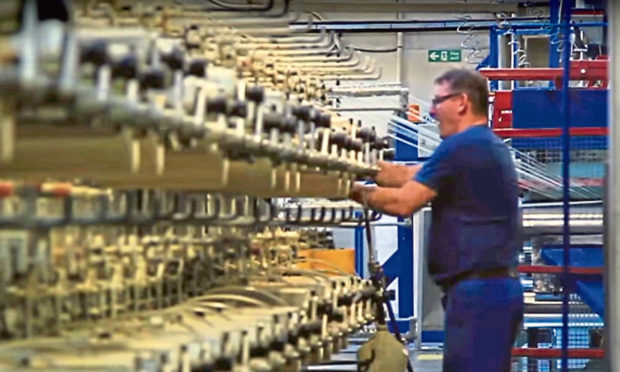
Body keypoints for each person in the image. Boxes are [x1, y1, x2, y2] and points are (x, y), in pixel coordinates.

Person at [351, 69, 524, 372]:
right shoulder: (483, 144)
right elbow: (407, 175)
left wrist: (344, 189)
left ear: (461, 102)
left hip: (479, 295)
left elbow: (404, 202)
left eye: (438, 101)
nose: (431, 110)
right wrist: (353, 165)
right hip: (488, 293)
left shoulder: (462, 146)